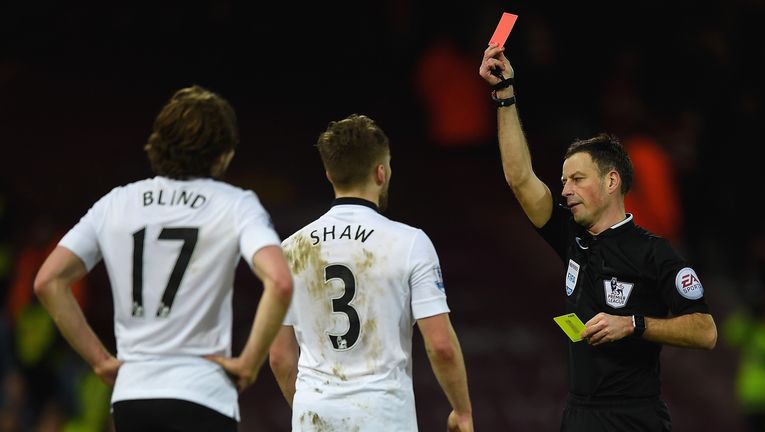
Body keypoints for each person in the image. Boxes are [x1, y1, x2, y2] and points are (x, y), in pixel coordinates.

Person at [479, 44, 717, 432]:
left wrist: (635, 324)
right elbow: (519, 179)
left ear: (611, 181)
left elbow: (706, 331)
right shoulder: (570, 236)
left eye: (576, 179)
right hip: (579, 414)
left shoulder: (654, 253)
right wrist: (504, 96)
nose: (566, 190)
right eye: (563, 181)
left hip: (634, 417)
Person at [33, 85, 293, 431]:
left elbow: (48, 281)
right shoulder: (235, 204)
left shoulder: (117, 202)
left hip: (132, 397)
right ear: (224, 154)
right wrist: (249, 363)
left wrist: (99, 361)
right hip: (203, 394)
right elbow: (279, 280)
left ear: (158, 144)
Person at [268, 114, 474, 431]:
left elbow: (279, 357)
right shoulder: (409, 243)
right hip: (383, 414)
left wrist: (314, 411)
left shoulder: (290, 249)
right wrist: (462, 411)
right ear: (381, 172)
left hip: (315, 414)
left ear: (329, 174)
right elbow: (441, 346)